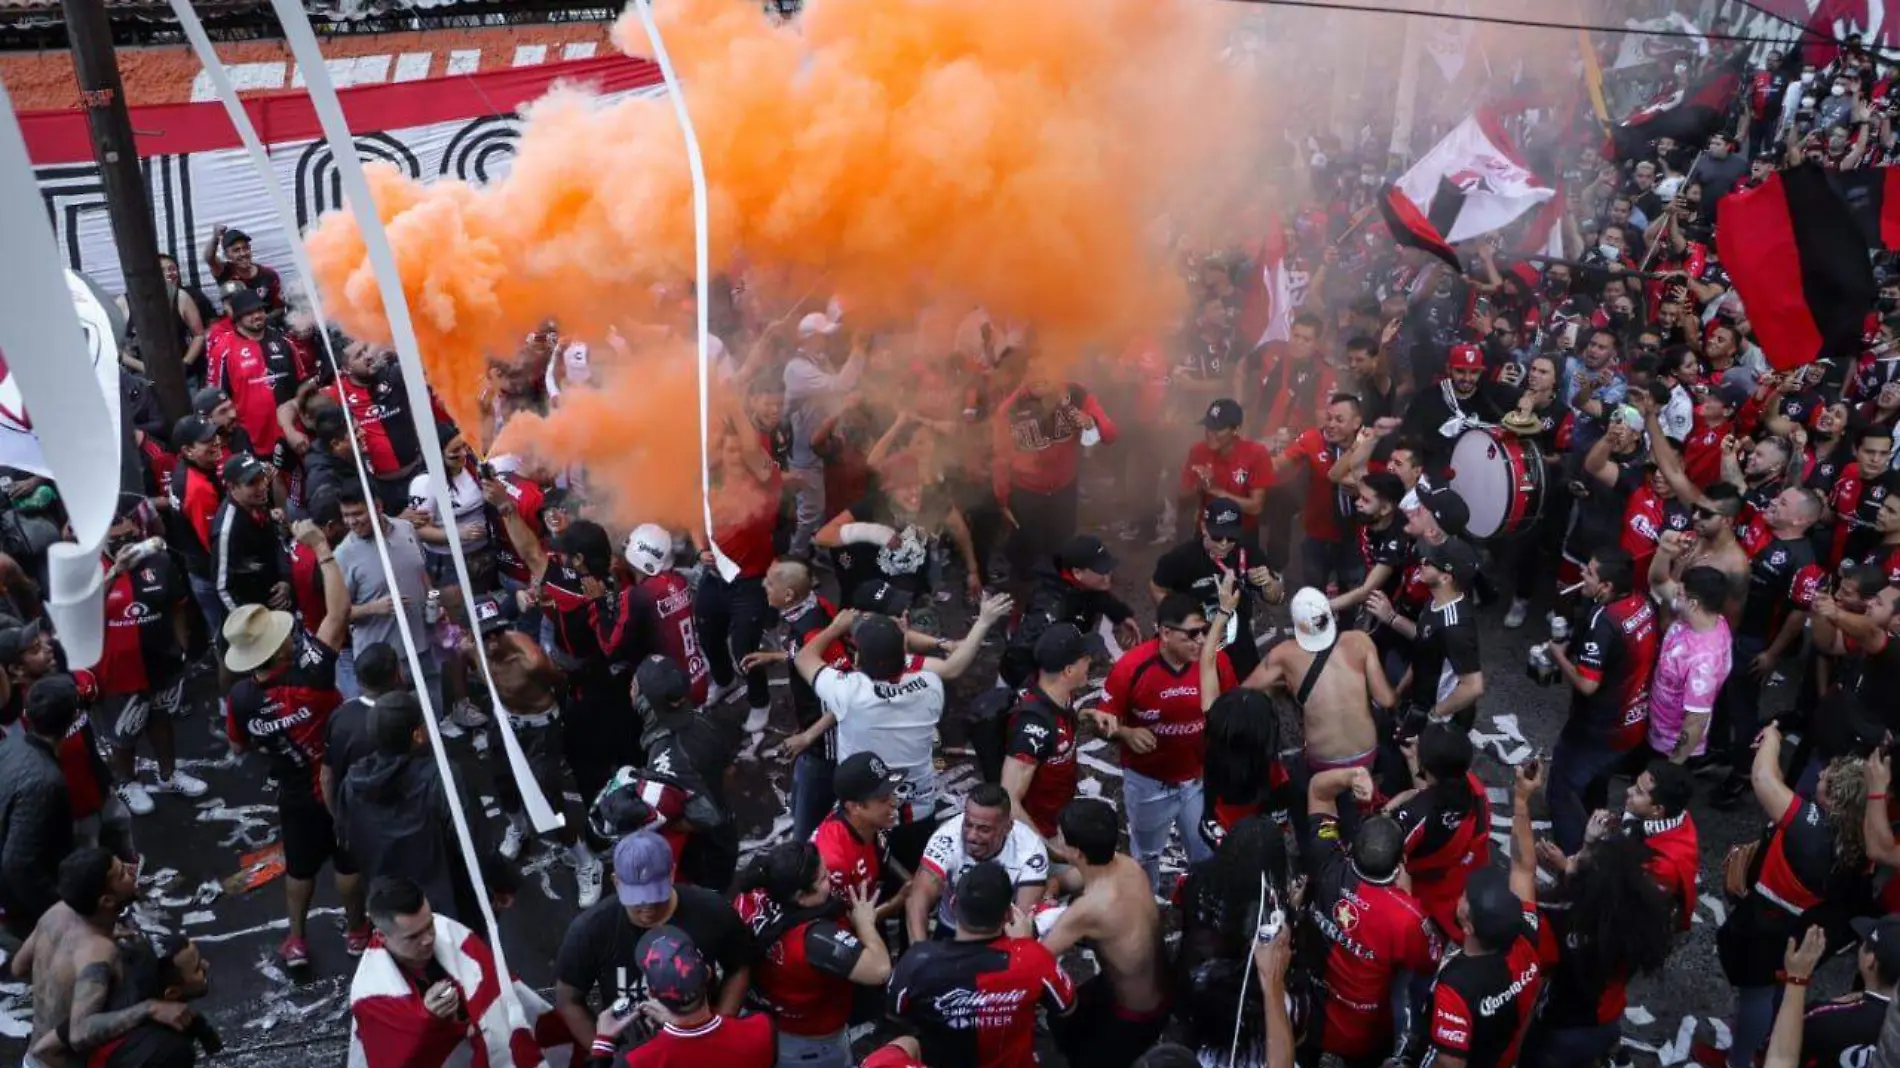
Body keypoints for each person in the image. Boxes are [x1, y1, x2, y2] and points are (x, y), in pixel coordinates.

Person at [220, 518, 357, 968]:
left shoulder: (240, 698)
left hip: (293, 791)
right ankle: (357, 931)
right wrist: (323, 549)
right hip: (338, 779)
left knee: (299, 867)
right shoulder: (310, 671)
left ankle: (296, 939)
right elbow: (337, 615)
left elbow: (238, 748)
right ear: (277, 650)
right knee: (348, 860)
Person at [786, 596, 1008, 866]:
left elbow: (803, 658)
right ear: (903, 656)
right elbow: (953, 665)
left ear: (857, 658)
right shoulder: (929, 684)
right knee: (914, 869)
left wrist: (834, 628)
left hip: (866, 812)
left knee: (863, 868)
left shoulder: (847, 691)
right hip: (917, 808)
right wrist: (983, 621)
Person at [1719, 723, 1869, 1068]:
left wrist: (1772, 738)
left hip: (1770, 925)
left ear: (1834, 798)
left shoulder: (1814, 828)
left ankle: (1740, 1059)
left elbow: (1764, 781)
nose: (1817, 777)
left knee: (1756, 991)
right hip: (1806, 925)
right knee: (1775, 989)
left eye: (1824, 778)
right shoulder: (1862, 834)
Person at [552, 831, 753, 1050]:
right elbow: (568, 999)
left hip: (699, 1033)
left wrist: (717, 1031)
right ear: (616, 882)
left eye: (655, 894)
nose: (647, 906)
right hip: (634, 1049)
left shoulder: (713, 911)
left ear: (672, 874)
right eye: (636, 898)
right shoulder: (589, 931)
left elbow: (739, 967)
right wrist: (604, 1053)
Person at [333, 692, 517, 928]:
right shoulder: (441, 778)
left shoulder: (353, 781)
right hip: (447, 906)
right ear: (418, 734)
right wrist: (501, 884)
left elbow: (347, 838)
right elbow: (475, 841)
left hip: (390, 907)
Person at [1090, 593, 1235, 890]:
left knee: (1205, 853)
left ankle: (1200, 908)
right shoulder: (1131, 668)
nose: (1201, 641)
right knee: (1147, 855)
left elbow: (1232, 710)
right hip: (1148, 785)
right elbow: (1102, 723)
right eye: (1193, 634)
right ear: (1165, 633)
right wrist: (1125, 733)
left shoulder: (1216, 662)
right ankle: (1146, 909)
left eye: (1205, 631)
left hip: (1196, 782)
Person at [347, 875, 569, 1068]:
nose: (428, 939)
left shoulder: (448, 930)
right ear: (381, 936)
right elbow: (395, 1058)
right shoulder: (371, 993)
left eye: (429, 925)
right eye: (413, 937)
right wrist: (428, 1022)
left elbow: (495, 992)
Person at [1302, 765, 1439, 1067]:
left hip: (1306, 1016)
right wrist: (1408, 894)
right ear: (1400, 863)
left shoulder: (1326, 858)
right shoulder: (1408, 916)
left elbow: (1318, 790)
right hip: (1361, 1039)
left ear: (1351, 847)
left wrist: (1353, 775)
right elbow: (1429, 961)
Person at [461, 595, 595, 889]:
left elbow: (559, 683)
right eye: (485, 636)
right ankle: (518, 827)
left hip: (539, 729)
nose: (493, 642)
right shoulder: (472, 651)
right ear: (473, 636)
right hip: (504, 721)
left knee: (548, 800)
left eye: (497, 633)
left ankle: (585, 860)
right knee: (502, 782)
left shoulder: (529, 659)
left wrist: (554, 722)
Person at [887, 861, 1076, 1068]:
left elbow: (894, 1014)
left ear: (953, 904)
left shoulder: (917, 962)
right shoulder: (1033, 958)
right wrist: (1024, 945)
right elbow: (1067, 1008)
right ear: (1009, 915)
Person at [1418, 763, 1544, 1068]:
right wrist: (1522, 801)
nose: (1462, 893)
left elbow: (1450, 1064)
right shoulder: (1526, 934)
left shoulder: (1456, 987)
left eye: (1466, 898)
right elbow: (1524, 866)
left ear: (1468, 924)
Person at [14, 849, 189, 1068]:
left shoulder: (57, 913)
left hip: (32, 1061)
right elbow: (79, 1034)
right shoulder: (100, 952)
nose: (132, 870)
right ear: (106, 901)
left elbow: (19, 966)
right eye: (122, 874)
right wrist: (151, 1008)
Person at [1233, 582, 1392, 814]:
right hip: (1366, 754)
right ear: (1330, 614)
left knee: (1317, 803)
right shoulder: (1360, 641)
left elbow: (1244, 693)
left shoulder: (1283, 654)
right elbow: (1386, 700)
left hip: (1324, 763)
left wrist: (1279, 687)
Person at [731, 841, 893, 1068]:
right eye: (823, 879)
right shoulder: (813, 940)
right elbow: (880, 970)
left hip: (765, 1017)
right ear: (801, 896)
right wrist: (865, 924)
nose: (831, 880)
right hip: (811, 1045)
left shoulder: (750, 896)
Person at [1523, 831, 1675, 1068]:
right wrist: (1569, 870)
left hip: (1561, 1030)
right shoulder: (1642, 914)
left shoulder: (1562, 919)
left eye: (1583, 854)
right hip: (1607, 1022)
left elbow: (1537, 964)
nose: (1576, 855)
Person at [1543, 549, 1661, 854]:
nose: (1582, 574)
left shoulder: (1605, 620)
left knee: (1563, 791)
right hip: (1631, 725)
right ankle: (1597, 837)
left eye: (1590, 573)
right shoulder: (1643, 603)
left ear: (1606, 586)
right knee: (1596, 784)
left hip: (1597, 728)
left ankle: (1573, 865)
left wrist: (1557, 654)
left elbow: (1587, 683)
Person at [1043, 798, 1171, 1068]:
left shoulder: (1091, 909)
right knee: (1063, 1018)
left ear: (1076, 852)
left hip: (1135, 1014)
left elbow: (1037, 956)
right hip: (1141, 987)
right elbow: (1074, 878)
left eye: (1060, 837)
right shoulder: (1126, 865)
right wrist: (1055, 884)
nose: (1055, 839)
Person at [93, 509, 204, 815]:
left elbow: (178, 605)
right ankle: (128, 783)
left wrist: (182, 646)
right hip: (117, 670)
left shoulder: (160, 561)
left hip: (161, 661)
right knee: (123, 732)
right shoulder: (89, 567)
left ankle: (169, 775)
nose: (125, 544)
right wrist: (115, 572)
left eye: (130, 536)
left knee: (161, 719)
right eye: (116, 540)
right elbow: (82, 615)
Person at [992, 359, 1119, 587]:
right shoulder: (1010, 409)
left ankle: (1061, 599)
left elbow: (1110, 434)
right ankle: (1021, 607)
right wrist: (1002, 500)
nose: (1039, 376)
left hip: (1064, 488)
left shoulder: (1076, 394)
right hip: (1027, 493)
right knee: (1027, 555)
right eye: (1032, 370)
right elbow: (1001, 459)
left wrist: (1091, 422)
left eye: (1045, 368)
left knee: (1062, 547)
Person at [334, 482, 442, 713]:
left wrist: (434, 600)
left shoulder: (406, 529)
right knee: (394, 716)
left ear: (378, 506)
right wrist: (373, 608)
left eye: (358, 513)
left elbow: (420, 571)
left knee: (432, 697)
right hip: (383, 658)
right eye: (346, 515)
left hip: (421, 641)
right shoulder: (343, 556)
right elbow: (337, 615)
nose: (352, 522)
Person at [599, 927, 775, 1068]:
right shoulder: (761, 1029)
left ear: (652, 993)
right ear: (708, 972)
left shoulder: (638, 1061)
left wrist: (603, 1043)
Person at [1151, 499, 1283, 681]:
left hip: (1238, 641)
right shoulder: (1181, 558)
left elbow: (1275, 598)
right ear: (1204, 528)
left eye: (1231, 538)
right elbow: (1157, 587)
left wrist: (1268, 582)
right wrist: (1177, 620)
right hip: (1196, 641)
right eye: (1217, 537)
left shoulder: (1249, 553)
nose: (1224, 543)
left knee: (1249, 695)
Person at [910, 784, 1049, 943]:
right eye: (968, 824)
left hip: (1000, 932)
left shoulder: (1031, 851)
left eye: (984, 829)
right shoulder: (946, 839)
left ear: (1008, 827)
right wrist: (919, 954)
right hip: (952, 927)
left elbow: (1022, 921)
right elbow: (918, 899)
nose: (972, 836)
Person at [1389, 724, 1490, 940]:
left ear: (1428, 766)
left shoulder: (1416, 813)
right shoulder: (1474, 790)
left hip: (1424, 891)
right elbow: (1433, 793)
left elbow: (1384, 850)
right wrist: (1414, 761)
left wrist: (1387, 810)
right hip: (1456, 878)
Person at [1376, 536, 1484, 733]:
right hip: (1421, 699)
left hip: (1443, 720)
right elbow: (1424, 643)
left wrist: (1435, 714)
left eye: (1430, 562)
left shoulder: (1455, 626)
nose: (1422, 562)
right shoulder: (1435, 601)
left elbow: (1473, 686)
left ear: (1446, 577)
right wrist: (1399, 692)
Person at [0, 672, 79, 938]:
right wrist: (62, 908)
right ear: (73, 720)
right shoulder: (45, 782)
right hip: (25, 909)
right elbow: (17, 864)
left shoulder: (13, 744)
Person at [783, 317, 869, 558]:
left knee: (822, 505)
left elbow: (834, 395)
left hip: (822, 445)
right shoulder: (797, 368)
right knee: (810, 509)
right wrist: (858, 351)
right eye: (823, 335)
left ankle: (817, 550)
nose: (828, 339)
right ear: (809, 337)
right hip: (803, 451)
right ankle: (797, 555)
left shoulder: (819, 360)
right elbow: (839, 385)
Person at [1001, 623, 1092, 840]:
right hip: (1042, 833)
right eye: (1085, 658)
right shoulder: (1033, 728)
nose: (1090, 661)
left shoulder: (1055, 694)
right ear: (1068, 670)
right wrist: (1047, 850)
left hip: (1059, 817)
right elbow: (1009, 799)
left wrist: (1086, 716)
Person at [1646, 566, 1734, 766]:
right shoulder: (1711, 618)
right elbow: (1658, 582)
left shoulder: (1705, 663)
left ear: (1693, 604)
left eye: (1680, 593)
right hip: (1657, 725)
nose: (1676, 594)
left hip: (1668, 744)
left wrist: (1672, 765)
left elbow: (1695, 722)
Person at [320, 642, 401, 813]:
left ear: (358, 679)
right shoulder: (405, 717)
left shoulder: (339, 716)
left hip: (355, 815)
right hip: (396, 814)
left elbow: (326, 777)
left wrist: (337, 818)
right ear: (396, 675)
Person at [1179, 397, 1273, 535]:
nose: (1210, 434)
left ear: (1235, 429)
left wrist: (1218, 492)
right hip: (1207, 531)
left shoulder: (1256, 453)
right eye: (1208, 427)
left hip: (1241, 532)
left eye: (1218, 429)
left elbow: (1255, 507)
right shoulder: (1198, 451)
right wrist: (1199, 485)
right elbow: (1183, 496)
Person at [210, 453, 287, 615]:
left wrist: (285, 580)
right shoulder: (227, 531)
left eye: (262, 478)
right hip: (254, 615)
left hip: (274, 601)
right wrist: (251, 625)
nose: (262, 486)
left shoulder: (257, 504)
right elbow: (223, 589)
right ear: (232, 487)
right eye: (252, 483)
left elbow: (274, 544)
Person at [202, 225, 283, 312]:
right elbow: (209, 259)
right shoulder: (224, 272)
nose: (243, 253)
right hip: (234, 323)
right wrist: (215, 238)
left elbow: (279, 307)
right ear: (227, 255)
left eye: (245, 248)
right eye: (236, 250)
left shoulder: (268, 274)